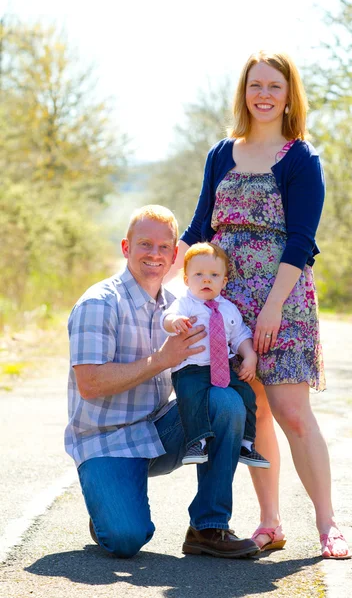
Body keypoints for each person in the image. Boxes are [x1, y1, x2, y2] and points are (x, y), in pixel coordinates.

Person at [165, 51, 351, 559]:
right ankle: (269, 523)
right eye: (255, 86)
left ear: (289, 95)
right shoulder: (222, 153)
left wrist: (271, 309)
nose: (263, 95)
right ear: (243, 94)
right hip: (224, 299)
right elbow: (200, 228)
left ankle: (327, 523)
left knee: (292, 412)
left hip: (281, 300)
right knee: (256, 413)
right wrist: (157, 271)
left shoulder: (300, 158)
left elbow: (300, 242)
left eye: (274, 86)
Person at [65, 204, 260, 560]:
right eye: (144, 244)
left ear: (174, 256)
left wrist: (248, 355)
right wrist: (162, 360)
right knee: (126, 539)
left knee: (226, 402)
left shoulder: (181, 305)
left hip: (158, 430)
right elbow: (90, 383)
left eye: (163, 247)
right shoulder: (99, 303)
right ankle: (110, 504)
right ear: (126, 248)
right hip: (107, 440)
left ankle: (208, 526)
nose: (154, 254)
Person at [161, 241, 270, 468]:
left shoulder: (229, 308)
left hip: (223, 368)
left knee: (248, 396)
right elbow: (166, 319)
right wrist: (175, 322)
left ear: (224, 281)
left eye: (214, 274)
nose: (206, 279)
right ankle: (197, 442)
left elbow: (240, 335)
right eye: (198, 274)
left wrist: (250, 356)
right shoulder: (185, 304)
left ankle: (246, 444)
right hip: (191, 367)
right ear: (186, 280)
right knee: (191, 396)